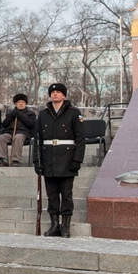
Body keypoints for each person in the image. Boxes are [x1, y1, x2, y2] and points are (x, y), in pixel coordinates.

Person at [34, 83, 85, 238]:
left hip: (67, 159)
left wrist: (77, 160)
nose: (55, 94)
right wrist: (37, 161)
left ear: (64, 95)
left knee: (66, 194)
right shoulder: (43, 114)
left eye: (58, 92)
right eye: (53, 92)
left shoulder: (74, 113)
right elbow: (37, 140)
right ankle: (54, 225)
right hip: (48, 158)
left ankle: (65, 226)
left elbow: (80, 139)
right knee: (52, 195)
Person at [0, 93, 36, 166]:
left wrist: (20, 115)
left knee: (18, 137)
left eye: (23, 102)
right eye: (19, 102)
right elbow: (5, 125)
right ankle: (3, 159)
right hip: (10, 133)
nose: (21, 104)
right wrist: (11, 116)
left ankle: (15, 160)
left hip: (24, 134)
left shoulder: (30, 113)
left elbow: (31, 124)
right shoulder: (11, 113)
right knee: (1, 138)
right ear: (15, 103)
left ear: (25, 103)